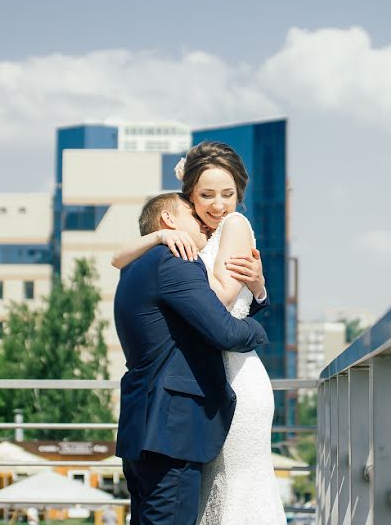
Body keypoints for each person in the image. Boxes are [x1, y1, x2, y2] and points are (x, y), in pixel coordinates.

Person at [113, 141, 286, 525]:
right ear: (187, 198)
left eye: (228, 194)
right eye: (206, 195)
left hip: (221, 388)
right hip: (184, 410)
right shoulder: (177, 254)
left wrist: (258, 290)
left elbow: (213, 303)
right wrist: (258, 326)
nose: (218, 205)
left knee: (234, 489)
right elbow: (221, 320)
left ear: (240, 192)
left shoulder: (227, 229)